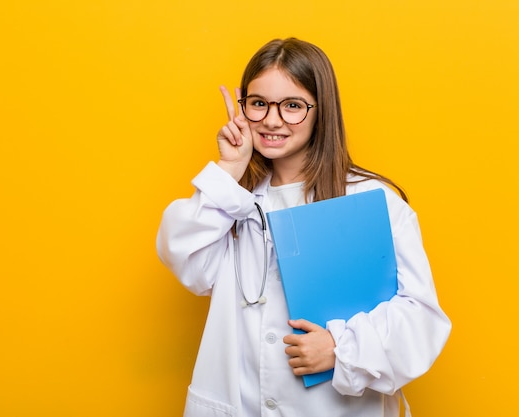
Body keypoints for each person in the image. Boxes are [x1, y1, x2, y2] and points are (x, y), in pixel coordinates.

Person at [156, 38, 451, 417]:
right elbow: (186, 262)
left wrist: (340, 348)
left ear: (320, 111)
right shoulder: (233, 199)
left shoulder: (370, 199)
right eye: (258, 103)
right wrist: (229, 171)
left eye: (292, 106)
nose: (272, 120)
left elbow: (422, 318)